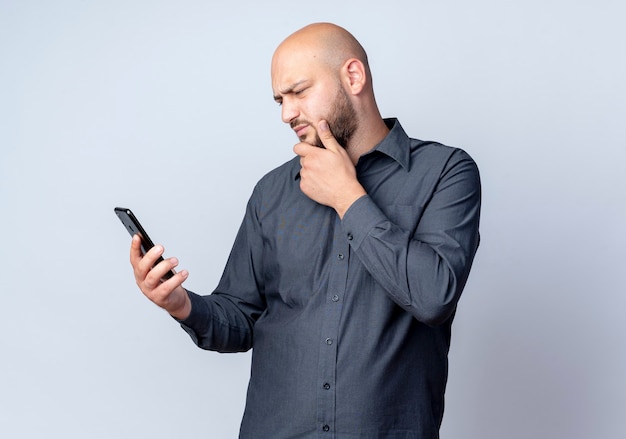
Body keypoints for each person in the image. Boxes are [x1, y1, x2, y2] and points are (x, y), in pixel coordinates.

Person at [129, 22, 481, 439]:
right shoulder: (271, 193)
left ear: (353, 77)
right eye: (280, 99)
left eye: (299, 92)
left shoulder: (445, 172)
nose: (286, 113)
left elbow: (433, 297)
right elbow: (241, 318)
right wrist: (181, 303)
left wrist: (348, 198)